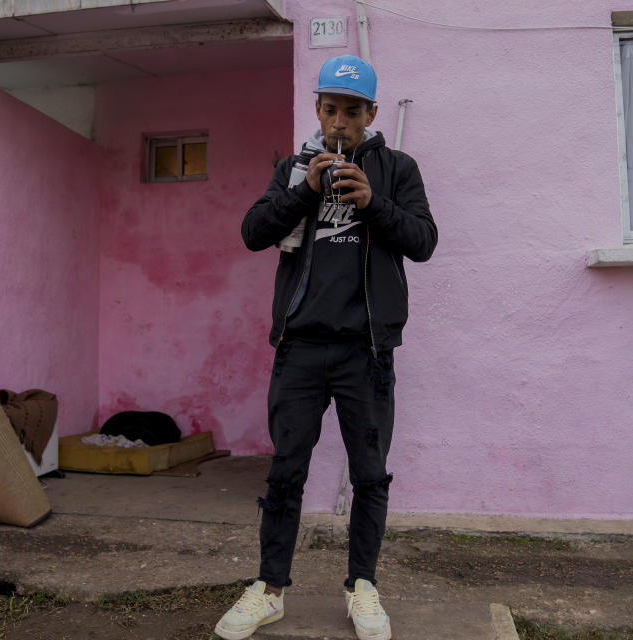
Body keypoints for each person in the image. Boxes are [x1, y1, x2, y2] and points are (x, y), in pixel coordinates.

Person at [214, 54, 437, 640]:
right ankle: (269, 590)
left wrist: (373, 201)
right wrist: (304, 192)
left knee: (370, 475)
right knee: (286, 470)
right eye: (331, 109)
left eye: (352, 112)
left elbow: (424, 241)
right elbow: (253, 233)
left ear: (371, 113)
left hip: (367, 352)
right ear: (317, 108)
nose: (341, 121)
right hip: (301, 349)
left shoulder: (397, 168)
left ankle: (362, 588)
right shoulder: (293, 168)